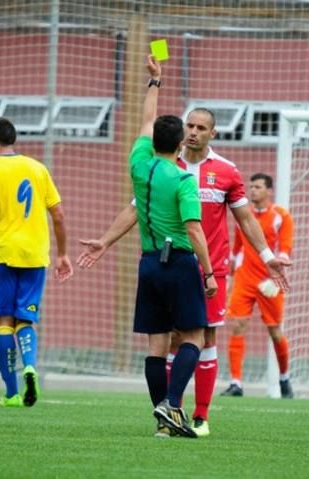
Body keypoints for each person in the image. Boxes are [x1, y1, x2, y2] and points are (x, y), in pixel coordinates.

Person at [77, 112, 289, 437]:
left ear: (213, 134)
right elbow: (135, 209)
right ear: (180, 134)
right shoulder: (167, 170)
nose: (193, 132)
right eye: (189, 126)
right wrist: (105, 241)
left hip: (209, 268)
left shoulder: (226, 171)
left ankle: (200, 416)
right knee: (173, 339)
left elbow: (246, 220)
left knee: (204, 338)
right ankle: (169, 411)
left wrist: (266, 256)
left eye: (201, 128)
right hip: (182, 266)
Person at [125, 54, 219, 438]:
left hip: (148, 262)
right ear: (181, 143)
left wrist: (154, 82)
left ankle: (163, 421)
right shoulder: (183, 180)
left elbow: (146, 123)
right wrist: (209, 272)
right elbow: (195, 231)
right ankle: (174, 406)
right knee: (194, 337)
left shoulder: (138, 161)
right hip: (179, 262)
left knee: (156, 344)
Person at [0, 117, 73, 408]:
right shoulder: (38, 168)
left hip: (1, 253)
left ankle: (11, 393)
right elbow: (59, 215)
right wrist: (62, 254)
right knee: (25, 319)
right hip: (36, 254)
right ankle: (30, 367)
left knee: (2, 321)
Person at [222, 173, 294, 399]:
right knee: (237, 326)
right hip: (245, 278)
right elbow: (236, 249)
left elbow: (285, 249)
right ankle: (236, 383)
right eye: (250, 187)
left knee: (274, 331)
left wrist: (278, 274)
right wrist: (231, 279)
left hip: (269, 281)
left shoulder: (281, 216)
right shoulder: (243, 216)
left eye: (258, 187)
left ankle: (284, 378)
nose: (252, 190)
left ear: (269, 191)